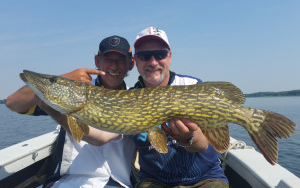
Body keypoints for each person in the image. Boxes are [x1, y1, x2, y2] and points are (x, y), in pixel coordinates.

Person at [6, 35, 136, 188]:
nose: (114, 66)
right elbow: (12, 103)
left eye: (120, 60)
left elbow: (99, 139)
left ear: (130, 64)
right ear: (97, 61)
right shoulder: (70, 92)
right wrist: (64, 79)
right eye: (108, 59)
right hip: (69, 181)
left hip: (117, 183)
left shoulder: (133, 99)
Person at [131, 27, 229, 188]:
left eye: (160, 54)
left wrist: (187, 138)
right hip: (155, 182)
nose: (153, 62)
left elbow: (203, 144)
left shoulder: (192, 86)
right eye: (144, 56)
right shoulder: (128, 97)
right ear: (136, 60)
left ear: (169, 56)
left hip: (205, 179)